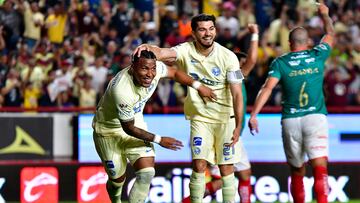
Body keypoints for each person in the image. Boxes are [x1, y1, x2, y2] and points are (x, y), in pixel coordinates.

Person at [135, 14, 245, 203]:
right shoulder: (185, 50)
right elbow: (164, 53)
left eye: (211, 28)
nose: (207, 33)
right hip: (200, 119)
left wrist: (238, 126)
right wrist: (149, 48)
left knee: (227, 168)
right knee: (199, 164)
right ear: (193, 33)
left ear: (216, 31)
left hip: (226, 119)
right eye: (202, 29)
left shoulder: (229, 57)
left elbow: (237, 94)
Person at [92, 50, 216, 203]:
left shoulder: (154, 68)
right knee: (117, 180)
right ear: (133, 67)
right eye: (144, 68)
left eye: (152, 68)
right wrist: (159, 139)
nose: (150, 74)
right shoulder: (122, 91)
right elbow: (128, 128)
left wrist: (198, 86)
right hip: (108, 131)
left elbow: (175, 73)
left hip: (135, 122)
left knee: (147, 173)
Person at [248, 3, 334, 203]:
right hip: (316, 117)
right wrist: (325, 15)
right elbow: (330, 33)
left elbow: (267, 88)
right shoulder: (317, 55)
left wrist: (254, 114)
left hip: (291, 120)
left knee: (297, 170)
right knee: (320, 167)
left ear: (289, 43)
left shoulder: (280, 62)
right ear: (308, 42)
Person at [182, 23, 259, 203]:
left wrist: (255, 35)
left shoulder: (238, 76)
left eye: (241, 60)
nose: (241, 62)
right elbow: (251, 61)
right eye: (238, 59)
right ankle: (188, 201)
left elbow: (253, 60)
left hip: (229, 132)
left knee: (244, 172)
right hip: (216, 129)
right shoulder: (224, 75)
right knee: (225, 177)